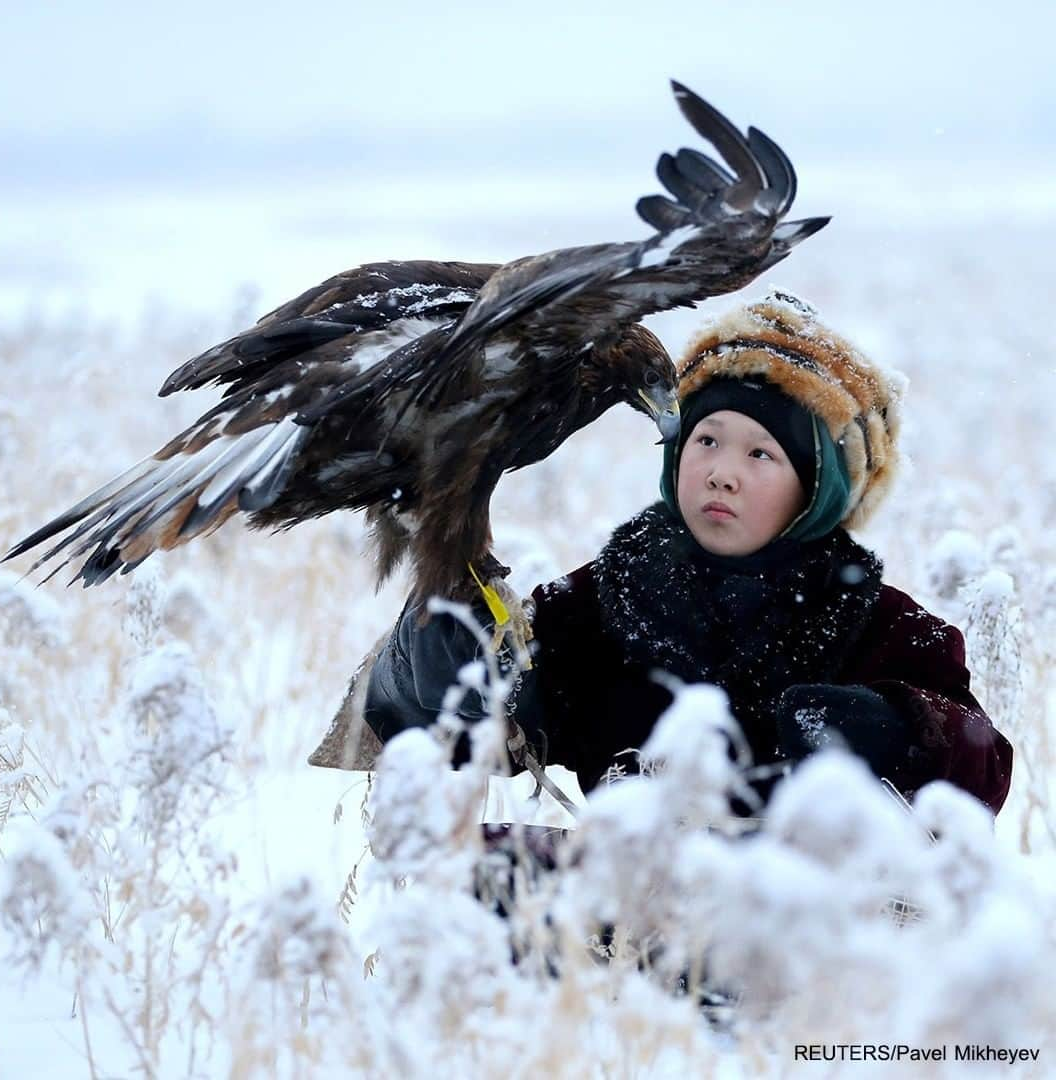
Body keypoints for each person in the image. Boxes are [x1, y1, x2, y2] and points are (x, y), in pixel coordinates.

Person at [361, 290, 1013, 818]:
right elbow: (433, 737)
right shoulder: (594, 605)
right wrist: (431, 666)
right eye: (706, 440)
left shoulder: (881, 624)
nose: (720, 472)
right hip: (625, 929)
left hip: (812, 936)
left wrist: (897, 728)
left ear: (817, 489)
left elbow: (986, 772)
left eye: (760, 453)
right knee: (490, 877)